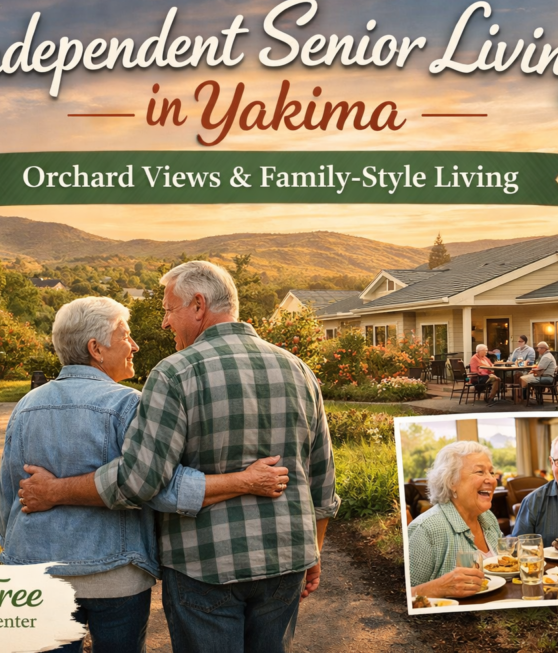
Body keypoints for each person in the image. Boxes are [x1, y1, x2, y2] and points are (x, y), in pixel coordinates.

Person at [17, 262, 340, 653]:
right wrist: (314, 553)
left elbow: (139, 481)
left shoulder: (175, 373)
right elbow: (322, 481)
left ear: (198, 305)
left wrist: (55, 491)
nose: (166, 322)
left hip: (206, 567)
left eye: (169, 309)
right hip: (287, 560)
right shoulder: (300, 370)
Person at [408, 441, 503, 599]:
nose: (492, 480)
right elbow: (399, 599)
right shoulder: (425, 529)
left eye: (491, 473)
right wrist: (437, 588)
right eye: (480, 472)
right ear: (452, 482)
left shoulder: (488, 518)